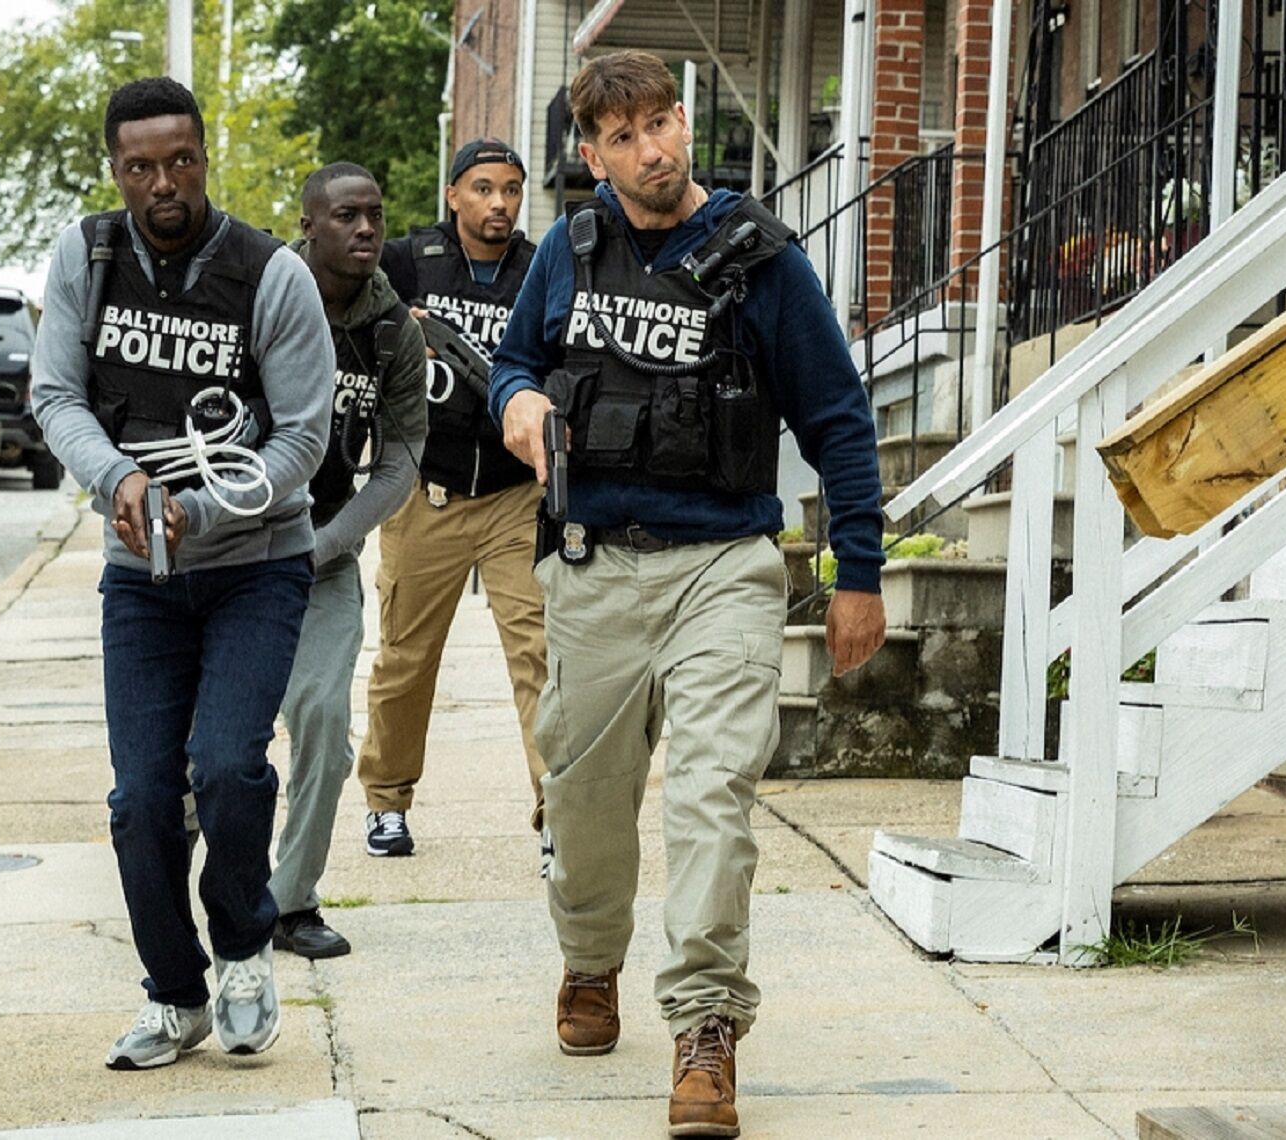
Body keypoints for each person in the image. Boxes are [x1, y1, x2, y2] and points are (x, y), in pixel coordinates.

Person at [490, 50, 887, 1138]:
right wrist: (517, 401)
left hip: (723, 566)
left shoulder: (762, 260)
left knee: (713, 795)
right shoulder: (570, 250)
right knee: (584, 799)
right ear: (594, 156)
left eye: (661, 123)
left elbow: (838, 419)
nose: (651, 150)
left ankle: (706, 1024)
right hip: (592, 565)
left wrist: (858, 570)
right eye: (623, 137)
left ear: (681, 119)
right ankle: (589, 959)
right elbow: (514, 362)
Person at [30, 76, 333, 1070]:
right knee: (142, 800)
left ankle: (243, 947)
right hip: (141, 576)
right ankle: (175, 995)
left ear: (205, 157)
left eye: (181, 161)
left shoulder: (271, 274)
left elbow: (304, 440)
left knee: (229, 766)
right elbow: (55, 395)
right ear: (116, 170)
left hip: (257, 565)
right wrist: (118, 478)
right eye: (140, 166)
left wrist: (199, 508)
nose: (163, 183)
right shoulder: (87, 256)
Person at [357, 138, 551, 871]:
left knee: (540, 657)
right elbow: (342, 307)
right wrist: (392, 329)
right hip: (426, 492)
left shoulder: (541, 267)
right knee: (405, 660)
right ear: (453, 195)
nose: (499, 203)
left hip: (515, 496)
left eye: (511, 189)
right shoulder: (408, 261)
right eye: (483, 188)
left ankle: (558, 815)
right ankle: (386, 801)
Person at [269, 162, 429, 959]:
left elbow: (400, 466)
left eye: (375, 215)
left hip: (321, 556)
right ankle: (188, 894)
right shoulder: (260, 296)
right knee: (207, 752)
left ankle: (290, 903)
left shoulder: (394, 330)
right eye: (345, 215)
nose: (366, 228)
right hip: (229, 552)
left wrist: (325, 544)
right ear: (309, 225)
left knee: (326, 727)